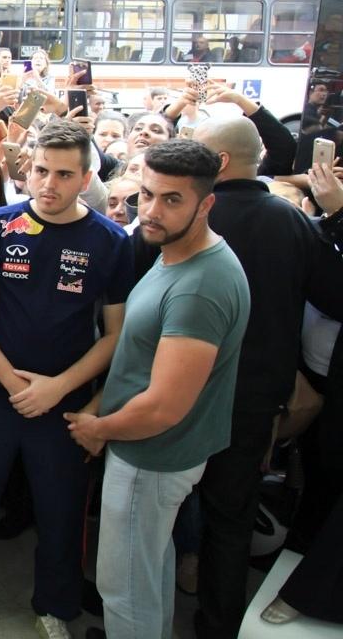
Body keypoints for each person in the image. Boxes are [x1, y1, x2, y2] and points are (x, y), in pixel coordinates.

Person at [0, 120, 134, 639]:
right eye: (40, 170)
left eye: (63, 174)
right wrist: (16, 385)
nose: (48, 184)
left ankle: (56, 606)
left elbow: (115, 335)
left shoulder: (110, 241)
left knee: (61, 511)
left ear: (86, 178)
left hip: (66, 403)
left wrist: (57, 389)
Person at [64, 140, 250, 639]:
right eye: (146, 194)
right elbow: (141, 361)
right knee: (148, 571)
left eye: (172, 200)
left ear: (206, 204)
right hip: (154, 451)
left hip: (153, 455)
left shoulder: (199, 286)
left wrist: (98, 427)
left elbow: (164, 406)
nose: (151, 210)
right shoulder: (175, 256)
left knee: (123, 587)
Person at [182, 115, 343, 639]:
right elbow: (334, 298)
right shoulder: (293, 222)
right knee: (230, 524)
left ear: (220, 162)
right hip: (254, 405)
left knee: (162, 519)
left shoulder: (190, 214)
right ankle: (217, 627)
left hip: (178, 397)